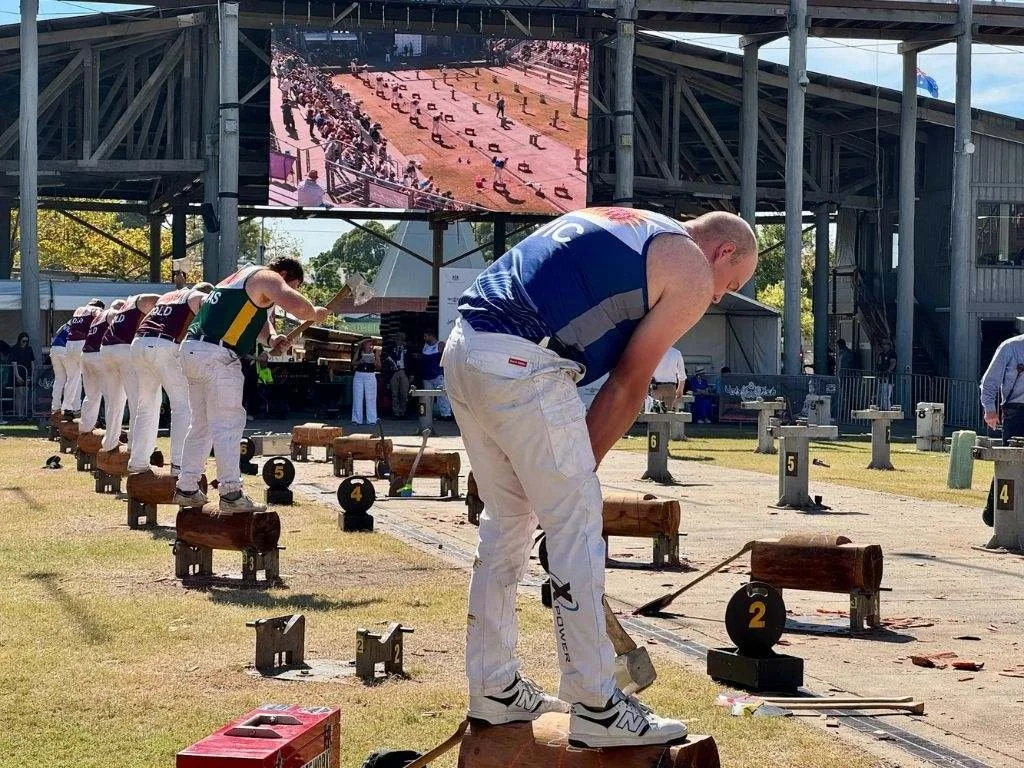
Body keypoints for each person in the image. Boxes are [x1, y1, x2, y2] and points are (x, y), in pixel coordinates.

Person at [446, 207, 757, 746]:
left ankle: (492, 687)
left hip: (467, 346)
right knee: (578, 524)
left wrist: (559, 489)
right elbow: (629, 383)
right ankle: (595, 704)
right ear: (721, 252)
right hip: (526, 362)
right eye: (729, 285)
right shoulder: (689, 268)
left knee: (507, 525)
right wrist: (573, 486)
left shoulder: (633, 223)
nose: (717, 297)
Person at [172, 258, 329, 513]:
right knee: (228, 424)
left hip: (194, 350)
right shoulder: (267, 277)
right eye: (295, 285)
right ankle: (231, 493)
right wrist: (314, 313)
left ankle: (187, 487)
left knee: (200, 424)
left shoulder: (240, 280)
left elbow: (256, 320)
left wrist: (272, 338)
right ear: (284, 274)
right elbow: (298, 306)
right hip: (218, 356)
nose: (294, 290)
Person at [128, 283, 215, 476]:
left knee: (147, 405)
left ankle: (138, 462)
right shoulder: (194, 296)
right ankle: (179, 465)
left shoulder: (168, 296)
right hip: (163, 344)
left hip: (139, 343)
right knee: (183, 405)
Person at [99, 293, 161, 454]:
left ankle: (110, 442)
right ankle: (135, 445)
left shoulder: (123, 309)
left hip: (106, 350)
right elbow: (154, 300)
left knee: (114, 402)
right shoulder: (137, 302)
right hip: (125, 349)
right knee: (138, 401)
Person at [979, 330, 1024, 527]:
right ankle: (994, 514)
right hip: (1016, 411)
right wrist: (990, 410)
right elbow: (989, 382)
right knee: (1009, 464)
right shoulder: (1010, 347)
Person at [79, 300, 125, 436]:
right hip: (99, 355)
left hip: (86, 354)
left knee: (91, 395)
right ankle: (113, 431)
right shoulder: (113, 313)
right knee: (112, 396)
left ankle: (85, 429)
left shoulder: (97, 318)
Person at [61, 299, 104, 418]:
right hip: (82, 343)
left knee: (72, 378)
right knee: (89, 377)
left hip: (70, 344)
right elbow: (99, 314)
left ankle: (68, 408)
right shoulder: (94, 309)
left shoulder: (78, 310)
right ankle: (91, 412)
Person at [421, 330, 451, 420]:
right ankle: (428, 415)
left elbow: (446, 358)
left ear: (431, 336)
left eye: (426, 336)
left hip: (438, 374)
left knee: (442, 396)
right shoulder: (425, 346)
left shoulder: (440, 345)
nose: (424, 338)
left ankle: (446, 415)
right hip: (427, 376)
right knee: (428, 397)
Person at [49, 320, 76, 415]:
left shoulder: (70, 321)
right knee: (73, 378)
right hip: (64, 348)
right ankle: (70, 407)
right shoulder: (85, 320)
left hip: (54, 347)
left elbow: (58, 332)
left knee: (59, 379)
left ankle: (55, 406)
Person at [351, 337, 380, 426]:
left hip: (370, 374)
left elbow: (379, 365)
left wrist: (374, 361)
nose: (369, 344)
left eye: (370, 342)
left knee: (371, 397)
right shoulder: (359, 351)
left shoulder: (375, 352)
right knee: (357, 397)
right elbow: (353, 363)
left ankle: (371, 419)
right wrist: (360, 361)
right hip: (359, 374)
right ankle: (356, 419)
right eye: (367, 342)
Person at [649, 346, 686, 412]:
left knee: (655, 414)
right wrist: (680, 388)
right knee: (669, 414)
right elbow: (682, 374)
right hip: (671, 387)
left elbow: (648, 372)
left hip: (656, 387)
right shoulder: (676, 353)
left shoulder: (653, 352)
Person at [8, 332, 34, 416]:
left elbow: (32, 362)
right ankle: (19, 414)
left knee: (25, 395)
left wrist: (31, 375)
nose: (25, 343)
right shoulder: (15, 349)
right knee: (19, 394)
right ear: (19, 340)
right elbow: (14, 363)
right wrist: (17, 376)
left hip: (27, 374)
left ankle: (23, 413)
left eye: (26, 341)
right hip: (18, 373)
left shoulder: (29, 349)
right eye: (23, 341)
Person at [385, 335, 409, 418]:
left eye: (401, 339)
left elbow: (411, 361)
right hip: (394, 372)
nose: (399, 341)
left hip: (403, 371)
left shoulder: (407, 349)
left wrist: (411, 374)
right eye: (397, 340)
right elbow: (387, 360)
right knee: (394, 393)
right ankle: (396, 412)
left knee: (404, 393)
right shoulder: (391, 348)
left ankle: (403, 411)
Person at [874, 338, 897, 409]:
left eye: (884, 344)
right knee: (880, 395)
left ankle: (887, 411)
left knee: (886, 396)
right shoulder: (881, 354)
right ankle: (881, 410)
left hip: (888, 378)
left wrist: (888, 371)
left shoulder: (892, 353)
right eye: (882, 344)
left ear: (888, 345)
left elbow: (893, 363)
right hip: (881, 377)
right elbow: (879, 363)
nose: (883, 346)